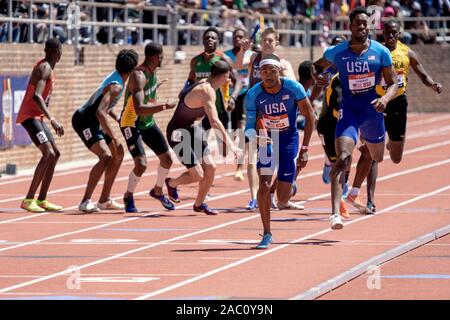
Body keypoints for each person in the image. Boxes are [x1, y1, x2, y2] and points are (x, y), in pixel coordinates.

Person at [311, 6, 398, 230]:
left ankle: (355, 192)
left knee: (375, 155)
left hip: (373, 111)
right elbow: (316, 66)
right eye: (357, 23)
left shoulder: (380, 52)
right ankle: (334, 214)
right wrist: (319, 78)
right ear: (350, 27)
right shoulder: (337, 51)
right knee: (342, 158)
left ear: (368, 25)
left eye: (364, 22)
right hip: (348, 110)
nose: (361, 26)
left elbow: (394, 83)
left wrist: (385, 100)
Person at [346, 20, 443, 214]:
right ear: (383, 34)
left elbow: (422, 75)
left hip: (398, 103)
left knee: (396, 157)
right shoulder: (375, 51)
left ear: (399, 34)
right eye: (388, 33)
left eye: (394, 33)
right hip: (377, 102)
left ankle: (392, 141)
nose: (391, 36)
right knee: (372, 154)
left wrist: (433, 85)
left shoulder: (407, 52)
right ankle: (368, 198)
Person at [245, 54, 315, 249]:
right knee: (264, 186)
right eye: (263, 71)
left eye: (271, 71)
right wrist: (256, 137)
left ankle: (290, 186)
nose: (267, 75)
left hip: (288, 138)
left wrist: (305, 149)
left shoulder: (294, 88)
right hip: (267, 139)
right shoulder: (253, 95)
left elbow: (310, 118)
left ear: (279, 72)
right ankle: (267, 233)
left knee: (283, 198)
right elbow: (250, 126)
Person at [166, 60, 242, 215]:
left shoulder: (209, 83)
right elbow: (214, 121)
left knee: (211, 168)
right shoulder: (207, 91)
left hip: (194, 131)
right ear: (222, 76)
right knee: (198, 175)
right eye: (228, 77)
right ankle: (172, 183)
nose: (228, 81)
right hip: (178, 133)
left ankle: (199, 204)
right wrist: (232, 145)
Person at [235, 26, 297, 211]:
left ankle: (272, 193)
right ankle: (255, 196)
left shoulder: (283, 63)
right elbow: (237, 66)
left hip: (278, 114)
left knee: (280, 159)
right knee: (254, 156)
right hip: (258, 113)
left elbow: (295, 86)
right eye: (264, 40)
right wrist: (243, 49)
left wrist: (281, 75)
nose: (267, 43)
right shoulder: (254, 58)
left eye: (270, 40)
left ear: (276, 43)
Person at [72, 49, 139, 213]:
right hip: (84, 120)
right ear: (132, 69)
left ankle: (104, 200)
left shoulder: (117, 77)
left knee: (118, 155)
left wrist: (117, 118)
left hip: (94, 120)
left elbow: (104, 107)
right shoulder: (116, 86)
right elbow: (100, 112)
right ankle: (85, 201)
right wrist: (115, 138)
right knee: (105, 156)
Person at [120, 42, 177, 213]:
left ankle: (157, 191)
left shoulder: (152, 74)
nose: (162, 60)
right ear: (154, 57)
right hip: (131, 123)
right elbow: (138, 109)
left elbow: (147, 99)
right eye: (160, 57)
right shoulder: (139, 75)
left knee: (167, 159)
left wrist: (155, 89)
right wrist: (164, 106)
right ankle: (128, 196)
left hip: (147, 122)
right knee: (141, 163)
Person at [16, 38, 64, 213]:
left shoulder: (49, 69)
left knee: (55, 154)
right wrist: (52, 119)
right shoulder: (44, 68)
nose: (61, 55)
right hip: (30, 116)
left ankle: (42, 200)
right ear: (56, 52)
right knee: (48, 153)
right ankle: (29, 199)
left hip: (37, 117)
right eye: (61, 51)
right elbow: (36, 96)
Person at [185, 27, 242, 132]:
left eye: (213, 38)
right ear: (203, 41)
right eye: (207, 38)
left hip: (219, 108)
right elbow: (190, 80)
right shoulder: (195, 61)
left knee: (223, 143)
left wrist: (233, 98)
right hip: (201, 109)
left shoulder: (224, 59)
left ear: (218, 41)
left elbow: (238, 80)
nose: (209, 39)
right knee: (198, 144)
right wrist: (184, 92)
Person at [224, 28, 253, 184]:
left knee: (241, 131)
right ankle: (230, 142)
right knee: (234, 131)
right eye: (236, 37)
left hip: (244, 94)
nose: (238, 39)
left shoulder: (250, 55)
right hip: (227, 96)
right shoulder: (226, 56)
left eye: (241, 37)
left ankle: (239, 169)